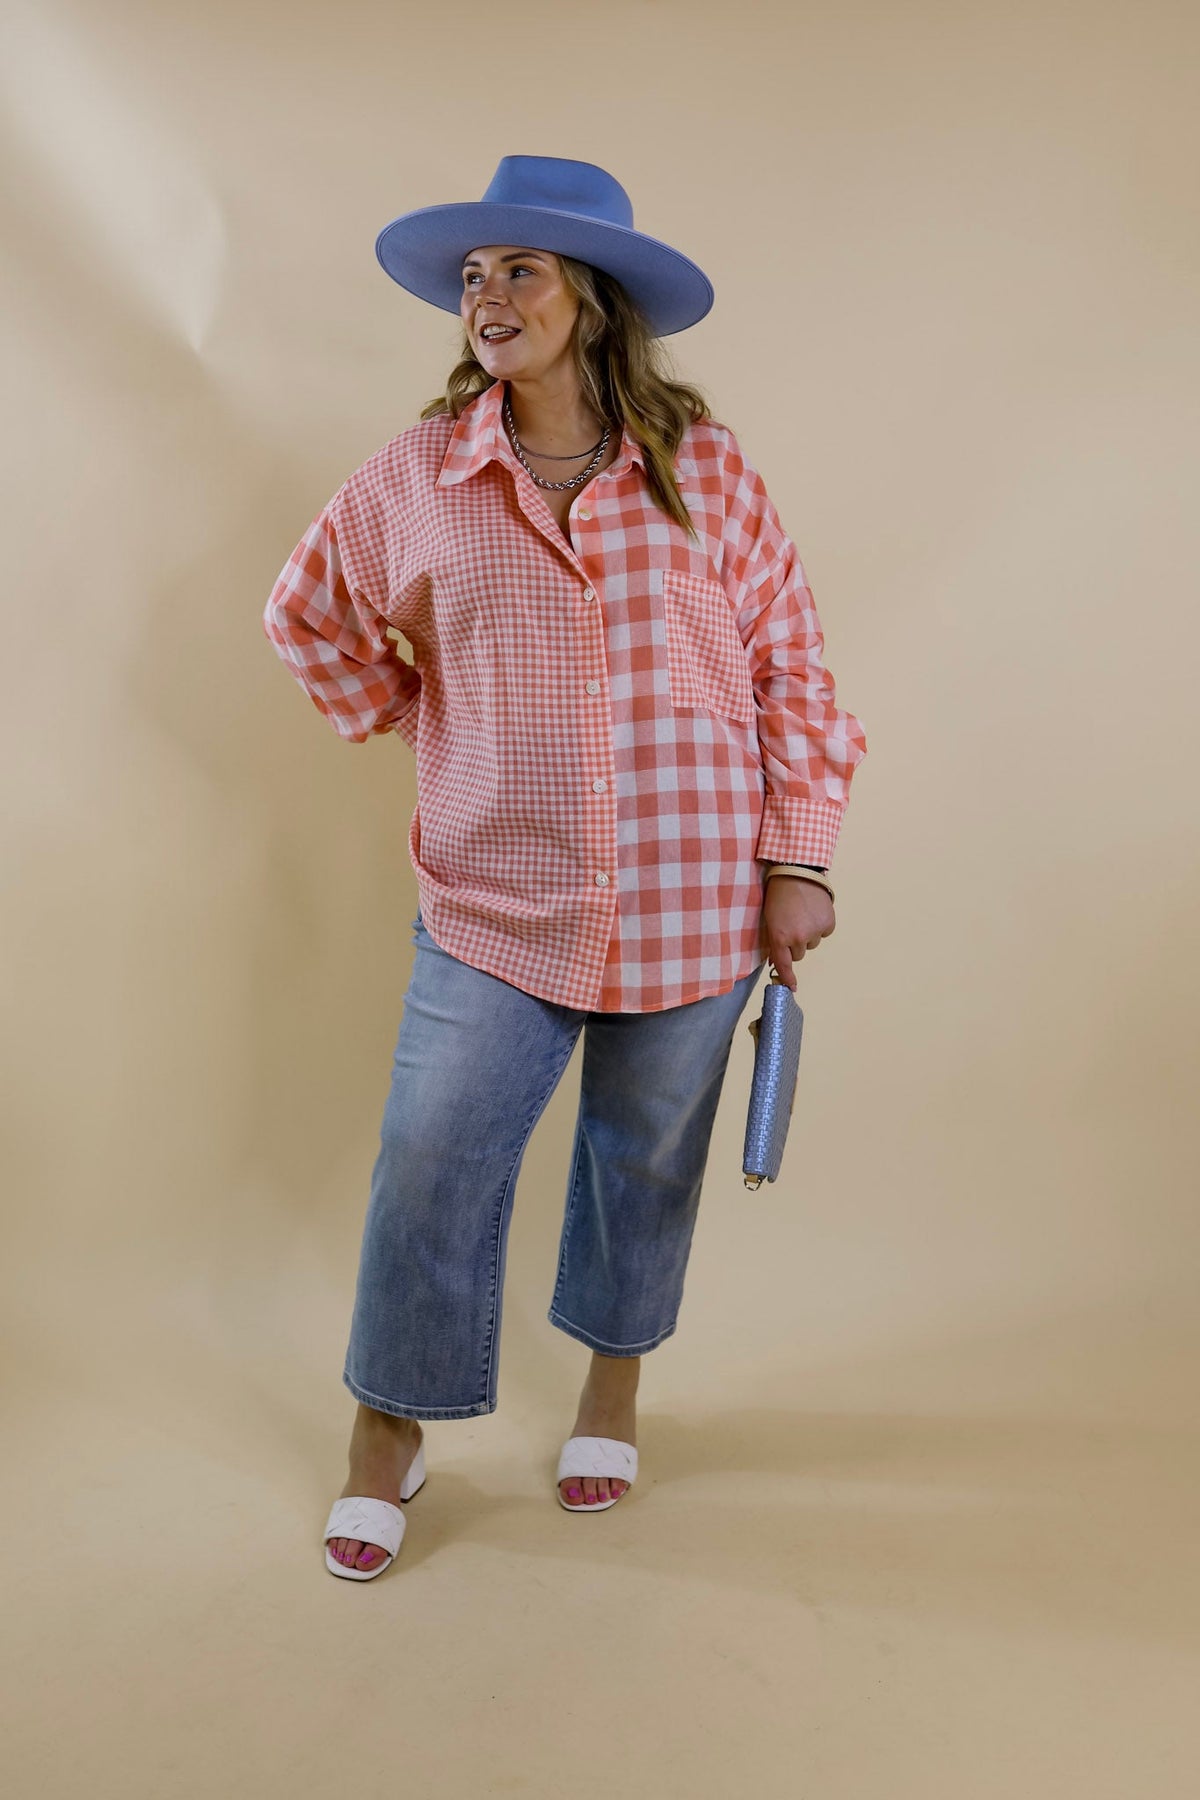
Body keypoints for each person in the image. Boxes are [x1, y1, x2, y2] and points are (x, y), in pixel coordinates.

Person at [262, 155, 868, 1581]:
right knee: (432, 1158)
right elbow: (308, 614)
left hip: (694, 890)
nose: (489, 295)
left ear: (592, 300)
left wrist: (800, 857)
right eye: (474, 276)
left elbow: (789, 663)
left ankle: (612, 1391)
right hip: (496, 894)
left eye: (520, 270)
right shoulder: (419, 474)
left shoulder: (705, 471)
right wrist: (423, 715)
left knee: (641, 1164)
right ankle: (386, 1431)